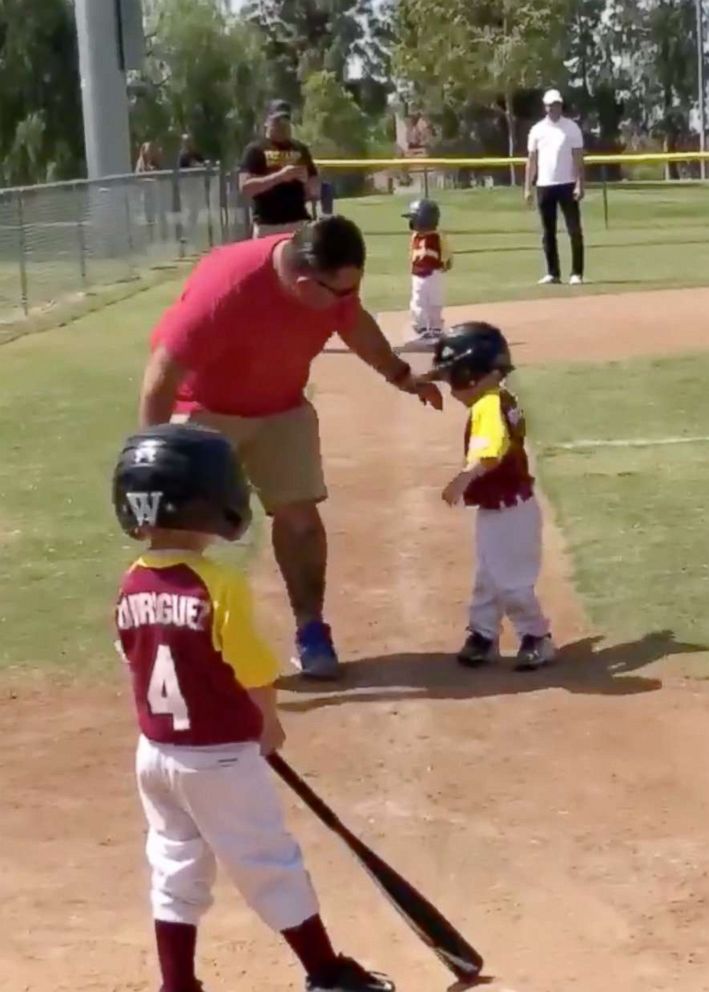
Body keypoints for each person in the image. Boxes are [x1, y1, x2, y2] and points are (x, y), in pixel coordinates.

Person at [112, 422, 395, 992]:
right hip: (218, 757)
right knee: (267, 860)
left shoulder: (132, 582)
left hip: (156, 753)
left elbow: (132, 655)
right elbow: (253, 669)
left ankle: (178, 984)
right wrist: (266, 725)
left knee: (175, 864)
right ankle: (325, 972)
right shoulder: (216, 583)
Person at [139, 215, 442, 682]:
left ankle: (311, 631)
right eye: (338, 292)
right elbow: (162, 373)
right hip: (205, 411)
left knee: (300, 522)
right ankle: (176, 645)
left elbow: (353, 322)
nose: (347, 300)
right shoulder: (226, 290)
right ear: (303, 284)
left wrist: (400, 375)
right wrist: (152, 461)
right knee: (177, 531)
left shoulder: (331, 288)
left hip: (282, 409)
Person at [423, 322, 555, 671]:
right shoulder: (497, 397)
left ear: (472, 373)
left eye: (453, 378)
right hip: (500, 510)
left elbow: (492, 450)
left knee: (512, 584)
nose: (451, 389)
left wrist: (465, 477)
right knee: (488, 579)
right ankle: (483, 634)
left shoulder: (489, 406)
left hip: (512, 513)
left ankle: (536, 637)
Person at [524, 89, 585, 286]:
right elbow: (531, 161)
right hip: (545, 185)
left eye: (557, 104)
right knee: (548, 232)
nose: (553, 108)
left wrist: (580, 183)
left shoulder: (572, 128)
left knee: (574, 230)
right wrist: (527, 188)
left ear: (561, 105)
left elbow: (578, 158)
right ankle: (553, 273)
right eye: (550, 105)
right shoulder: (537, 130)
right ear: (545, 107)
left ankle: (576, 273)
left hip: (567, 185)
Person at [240, 100, 320, 238]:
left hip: (298, 223)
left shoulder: (300, 149)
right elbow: (246, 188)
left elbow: (315, 189)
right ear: (267, 122)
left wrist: (307, 182)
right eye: (277, 121)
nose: (282, 126)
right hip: (268, 225)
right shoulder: (255, 150)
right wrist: (280, 177)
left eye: (286, 121)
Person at [401, 198, 452, 347]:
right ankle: (423, 329)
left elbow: (446, 252)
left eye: (414, 219)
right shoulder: (415, 236)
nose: (412, 223)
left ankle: (435, 330)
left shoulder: (437, 236)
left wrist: (446, 263)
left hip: (434, 273)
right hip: (418, 275)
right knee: (418, 302)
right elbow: (412, 253)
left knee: (435, 302)